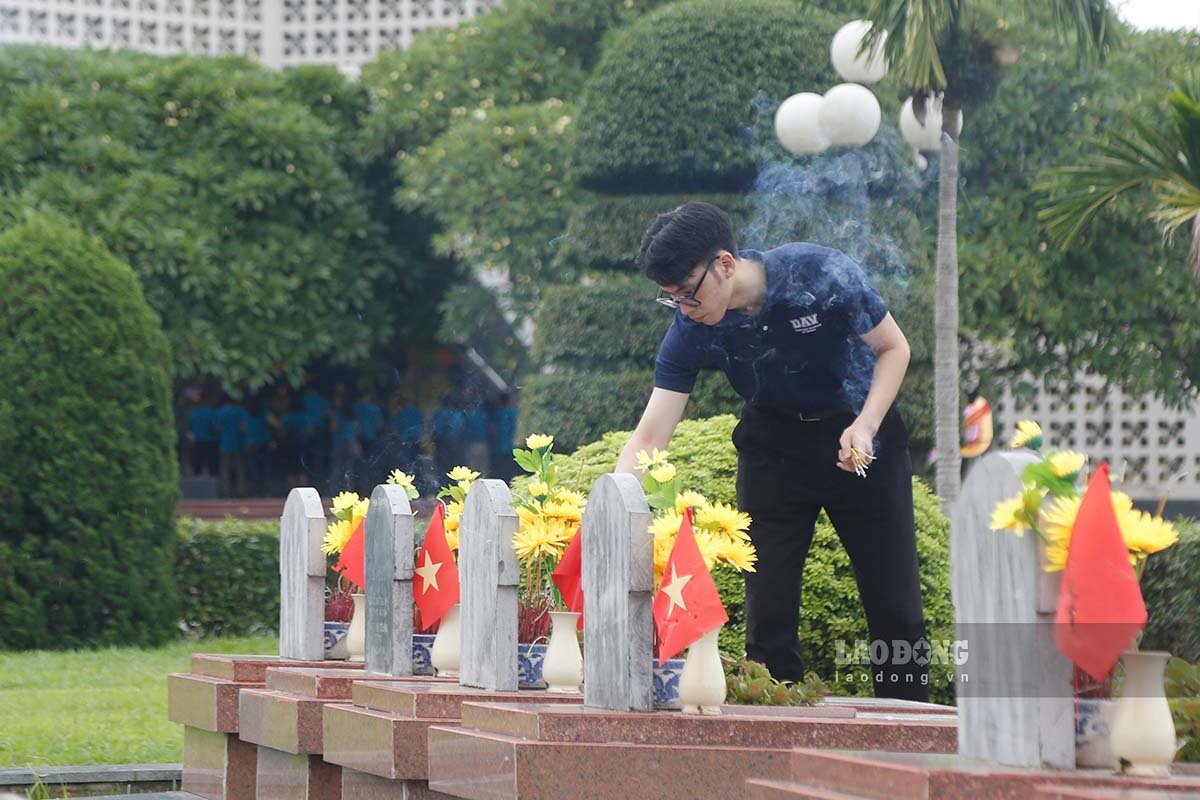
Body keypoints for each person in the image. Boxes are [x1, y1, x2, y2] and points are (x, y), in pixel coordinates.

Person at [613, 202, 928, 700]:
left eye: (688, 294)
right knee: (769, 616)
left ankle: (911, 736)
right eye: (671, 299)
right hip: (774, 451)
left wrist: (865, 426)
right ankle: (773, 736)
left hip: (862, 441)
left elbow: (894, 348)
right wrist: (612, 504)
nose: (685, 309)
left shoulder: (818, 272)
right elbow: (651, 436)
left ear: (725, 264)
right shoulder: (694, 327)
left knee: (897, 609)